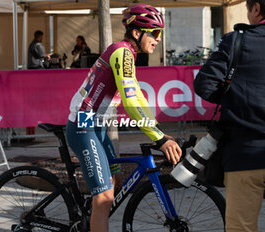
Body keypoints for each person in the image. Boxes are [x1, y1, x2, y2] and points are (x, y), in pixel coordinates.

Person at [65, 4, 182, 232]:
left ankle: (90, 220)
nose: (158, 39)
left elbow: (136, 97)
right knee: (105, 197)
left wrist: (157, 130)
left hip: (96, 125)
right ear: (137, 33)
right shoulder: (122, 52)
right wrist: (159, 139)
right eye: (154, 33)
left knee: (115, 182)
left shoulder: (127, 53)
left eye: (160, 33)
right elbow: (129, 103)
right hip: (84, 125)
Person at [194, 1, 265, 231]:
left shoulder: (236, 40)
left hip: (244, 155)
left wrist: (235, 99)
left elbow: (204, 85)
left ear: (256, 9)